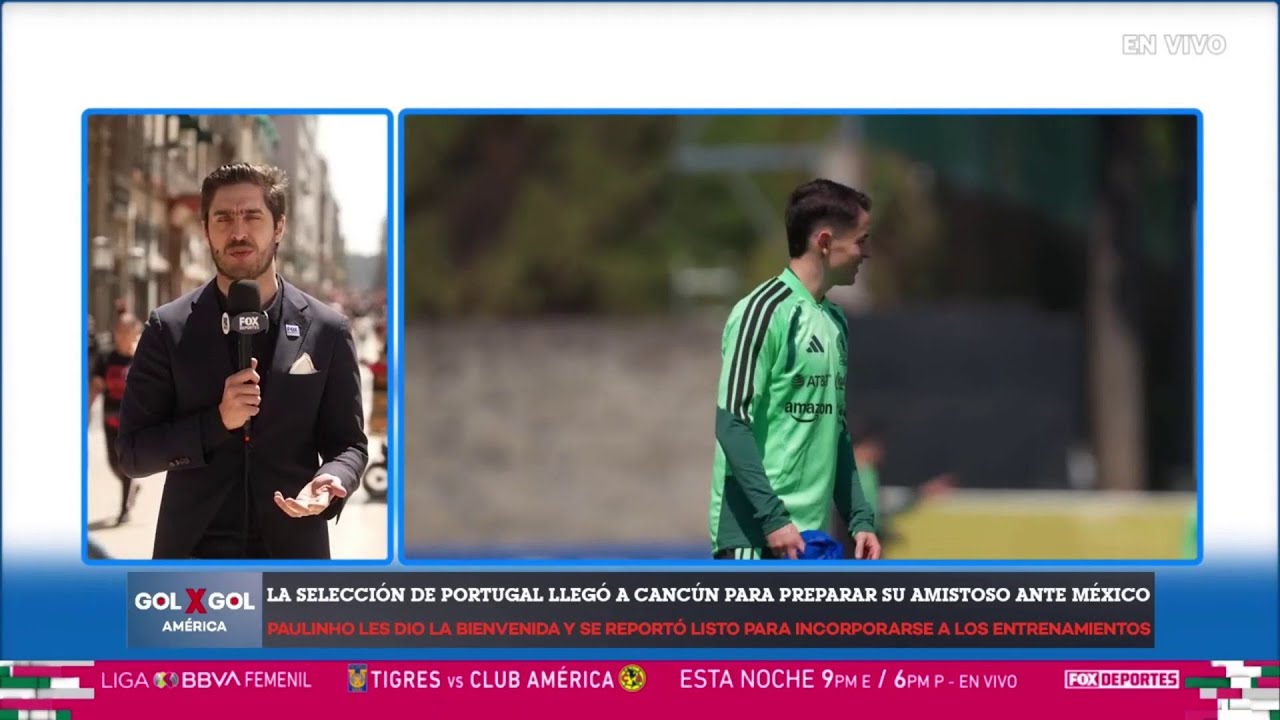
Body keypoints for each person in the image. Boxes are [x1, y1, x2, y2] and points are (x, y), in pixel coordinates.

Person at [116, 162, 368, 560]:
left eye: (252, 216)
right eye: (223, 218)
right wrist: (216, 423)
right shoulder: (168, 327)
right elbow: (132, 453)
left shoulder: (328, 329)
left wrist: (331, 479)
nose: (238, 232)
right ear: (205, 230)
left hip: (294, 551)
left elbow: (349, 445)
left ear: (279, 226)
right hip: (192, 558)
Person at [708, 178, 882, 561]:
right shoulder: (763, 311)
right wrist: (773, 521)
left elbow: (836, 431)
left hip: (809, 543)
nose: (866, 253)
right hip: (757, 539)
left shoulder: (836, 322)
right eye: (861, 240)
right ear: (823, 242)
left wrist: (860, 519)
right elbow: (731, 423)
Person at [831, 420, 955, 558]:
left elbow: (876, 509)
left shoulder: (866, 473)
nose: (881, 450)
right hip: (852, 550)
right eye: (877, 445)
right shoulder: (853, 474)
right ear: (865, 445)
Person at [90, 313, 144, 524]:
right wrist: (97, 383)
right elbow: (96, 380)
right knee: (113, 463)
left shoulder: (141, 358)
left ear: (134, 333)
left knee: (126, 463)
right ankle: (132, 487)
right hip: (110, 416)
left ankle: (124, 509)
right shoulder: (106, 358)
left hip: (133, 420)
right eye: (118, 331)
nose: (121, 335)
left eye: (126, 331)